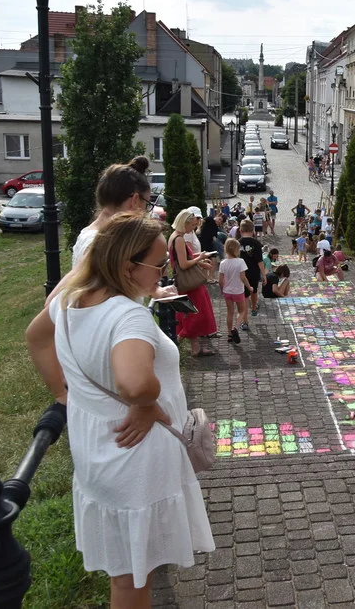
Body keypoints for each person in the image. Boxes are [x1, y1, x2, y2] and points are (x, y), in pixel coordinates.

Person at [25, 214, 214, 607]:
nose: (164, 273)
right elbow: (134, 382)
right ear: (128, 266)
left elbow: (37, 337)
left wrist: (65, 392)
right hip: (135, 456)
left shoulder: (70, 297)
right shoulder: (127, 316)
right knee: (133, 577)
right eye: (159, 265)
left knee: (127, 570)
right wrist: (147, 402)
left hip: (98, 445)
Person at [71, 156, 154, 268]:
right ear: (134, 200)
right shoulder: (103, 246)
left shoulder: (87, 234)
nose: (145, 212)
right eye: (146, 204)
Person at [168, 210, 217, 357]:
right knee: (196, 314)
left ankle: (195, 347)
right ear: (185, 223)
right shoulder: (179, 239)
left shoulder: (175, 236)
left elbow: (183, 257)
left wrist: (200, 258)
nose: (193, 229)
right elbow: (183, 264)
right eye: (192, 225)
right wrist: (199, 259)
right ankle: (177, 341)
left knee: (191, 313)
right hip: (189, 283)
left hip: (186, 282)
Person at [218, 238, 251, 345]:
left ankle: (229, 334)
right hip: (238, 291)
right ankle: (235, 328)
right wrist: (249, 287)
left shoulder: (223, 263)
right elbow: (243, 277)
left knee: (229, 312)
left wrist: (222, 290)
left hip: (227, 291)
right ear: (237, 249)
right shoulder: (240, 262)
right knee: (242, 311)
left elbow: (220, 280)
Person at [238, 219, 265, 326]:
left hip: (242, 273)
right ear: (253, 230)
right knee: (254, 291)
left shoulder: (237, 243)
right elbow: (260, 261)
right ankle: (254, 307)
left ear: (240, 230)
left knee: (244, 297)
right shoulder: (256, 243)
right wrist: (264, 275)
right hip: (254, 272)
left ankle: (245, 321)